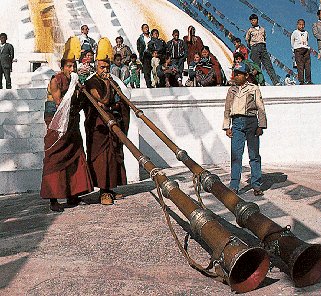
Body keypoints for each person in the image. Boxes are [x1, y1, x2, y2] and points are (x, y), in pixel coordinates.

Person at [40, 58, 93, 212]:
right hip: (57, 123)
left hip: (71, 122)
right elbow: (59, 102)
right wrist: (74, 89)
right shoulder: (55, 80)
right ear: (62, 67)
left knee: (75, 155)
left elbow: (80, 102)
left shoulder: (74, 82)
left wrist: (81, 89)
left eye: (73, 66)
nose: (72, 69)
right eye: (69, 66)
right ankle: (53, 198)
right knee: (55, 157)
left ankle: (73, 195)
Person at [84, 55, 129, 205]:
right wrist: (108, 84)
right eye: (102, 67)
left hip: (112, 123)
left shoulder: (112, 81)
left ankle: (110, 188)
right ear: (96, 67)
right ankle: (103, 191)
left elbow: (119, 100)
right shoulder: (91, 82)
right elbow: (102, 100)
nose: (105, 70)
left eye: (107, 68)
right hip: (98, 126)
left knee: (113, 155)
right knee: (102, 158)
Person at [223, 62, 267, 196]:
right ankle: (234, 185)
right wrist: (226, 126)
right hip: (236, 123)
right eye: (235, 74)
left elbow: (260, 107)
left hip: (251, 122)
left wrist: (261, 125)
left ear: (246, 75)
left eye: (239, 74)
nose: (236, 76)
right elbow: (227, 108)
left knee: (254, 155)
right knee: (236, 155)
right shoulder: (231, 90)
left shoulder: (254, 88)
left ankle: (256, 184)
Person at [245, 14, 280, 86]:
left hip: (263, 47)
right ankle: (259, 83)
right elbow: (247, 40)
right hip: (254, 47)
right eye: (251, 20)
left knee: (268, 65)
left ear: (257, 20)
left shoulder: (262, 29)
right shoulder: (250, 30)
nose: (253, 21)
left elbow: (264, 38)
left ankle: (275, 82)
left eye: (254, 20)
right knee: (257, 67)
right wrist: (253, 47)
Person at [291, 19, 312, 85]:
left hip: (306, 49)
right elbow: (292, 41)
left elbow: (307, 39)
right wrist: (294, 49)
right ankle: (301, 81)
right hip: (298, 49)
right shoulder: (295, 32)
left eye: (303, 25)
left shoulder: (306, 32)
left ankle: (308, 80)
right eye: (300, 24)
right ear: (297, 25)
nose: (302, 26)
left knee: (307, 65)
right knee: (300, 65)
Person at [137, 24, 152, 88]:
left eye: (147, 27)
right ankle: (148, 84)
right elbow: (139, 48)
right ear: (142, 29)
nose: (146, 29)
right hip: (145, 56)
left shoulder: (152, 36)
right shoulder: (140, 39)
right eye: (145, 28)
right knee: (146, 71)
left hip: (152, 55)